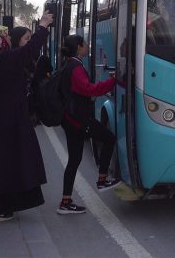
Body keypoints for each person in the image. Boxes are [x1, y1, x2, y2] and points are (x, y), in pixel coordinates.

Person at [0, 13, 54, 223]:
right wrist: (42, 26)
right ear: (0, 40)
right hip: (3, 122)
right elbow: (31, 51)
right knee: (4, 165)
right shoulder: (4, 58)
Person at [58, 34, 120, 215]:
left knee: (74, 160)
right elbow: (88, 89)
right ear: (78, 47)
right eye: (85, 44)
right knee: (109, 138)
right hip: (79, 119)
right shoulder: (76, 67)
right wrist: (112, 81)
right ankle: (102, 180)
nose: (88, 47)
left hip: (70, 119)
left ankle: (65, 201)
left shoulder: (68, 64)